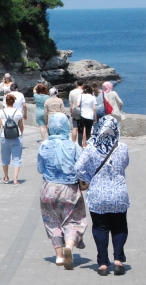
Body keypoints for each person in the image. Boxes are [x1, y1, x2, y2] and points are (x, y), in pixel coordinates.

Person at [75, 116, 130, 276]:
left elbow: (78, 168)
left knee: (100, 227)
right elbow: (125, 164)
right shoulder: (122, 147)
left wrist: (89, 178)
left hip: (98, 194)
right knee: (119, 226)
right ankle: (118, 261)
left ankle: (103, 264)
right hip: (119, 193)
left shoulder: (91, 148)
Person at [38, 113, 87, 269]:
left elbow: (40, 169)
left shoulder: (44, 145)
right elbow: (81, 168)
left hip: (49, 188)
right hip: (69, 189)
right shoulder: (74, 146)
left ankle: (59, 256)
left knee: (52, 221)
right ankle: (69, 247)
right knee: (73, 220)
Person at [0, 94, 24, 185]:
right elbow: (21, 126)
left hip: (4, 136)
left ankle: (6, 177)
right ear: (13, 102)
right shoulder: (18, 112)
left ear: (6, 102)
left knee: (5, 157)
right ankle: (15, 180)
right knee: (17, 158)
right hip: (17, 137)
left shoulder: (1, 111)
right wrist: (20, 134)